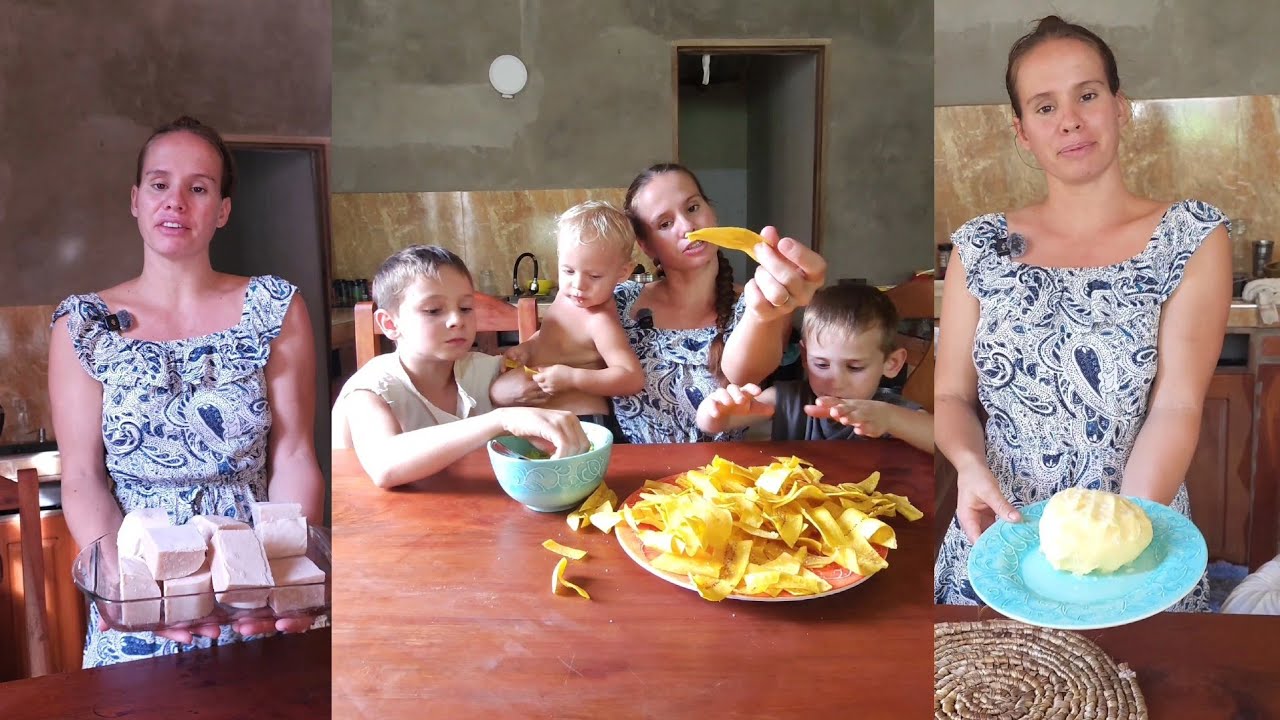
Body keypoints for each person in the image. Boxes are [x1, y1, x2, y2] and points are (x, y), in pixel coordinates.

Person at [932, 16, 1231, 611]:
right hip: (1000, 537)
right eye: (1044, 107)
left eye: (1087, 95)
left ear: (1120, 106)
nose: (1069, 119)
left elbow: (1176, 405)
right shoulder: (978, 246)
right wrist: (969, 465)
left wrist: (1117, 543)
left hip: (1137, 537)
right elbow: (950, 400)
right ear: (1021, 131)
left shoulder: (1191, 236)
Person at [48, 116, 326, 666]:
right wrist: (132, 589)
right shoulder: (82, 324)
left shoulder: (275, 308)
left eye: (198, 188)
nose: (175, 201)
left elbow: (293, 453)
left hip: (257, 592)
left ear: (221, 210)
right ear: (135, 200)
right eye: (159, 184)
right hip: (141, 602)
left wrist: (282, 573)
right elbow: (81, 475)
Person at [524, 162, 825, 444]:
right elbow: (554, 344)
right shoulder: (618, 301)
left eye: (693, 207)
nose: (686, 226)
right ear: (645, 246)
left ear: (712, 212)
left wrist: (761, 313)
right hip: (632, 475)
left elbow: (745, 375)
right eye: (665, 223)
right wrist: (511, 377)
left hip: (720, 479)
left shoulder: (755, 301)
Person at [331, 245, 589, 489]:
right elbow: (384, 466)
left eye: (466, 308)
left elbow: (549, 377)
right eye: (433, 310)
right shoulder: (369, 389)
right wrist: (502, 419)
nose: (456, 319)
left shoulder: (483, 369)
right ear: (389, 324)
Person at [696, 283, 933, 453]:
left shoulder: (889, 410)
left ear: (891, 364)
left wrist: (890, 419)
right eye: (821, 364)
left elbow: (939, 438)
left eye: (854, 367)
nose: (835, 381)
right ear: (804, 356)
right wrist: (716, 410)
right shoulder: (788, 401)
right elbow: (712, 424)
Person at [501, 201, 644, 433]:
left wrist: (572, 378)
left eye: (594, 276)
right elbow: (554, 339)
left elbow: (631, 377)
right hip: (545, 416)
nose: (578, 285)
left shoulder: (599, 321)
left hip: (583, 420)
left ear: (623, 273)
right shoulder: (564, 299)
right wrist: (528, 347)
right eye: (568, 271)